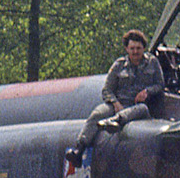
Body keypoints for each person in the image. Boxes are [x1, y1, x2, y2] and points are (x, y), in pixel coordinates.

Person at [66, 29, 165, 165]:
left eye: (138, 48)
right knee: (98, 113)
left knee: (141, 108)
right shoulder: (119, 65)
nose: (135, 52)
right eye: (132, 48)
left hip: (138, 107)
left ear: (143, 48)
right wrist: (115, 103)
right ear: (126, 49)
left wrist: (147, 91)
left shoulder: (152, 62)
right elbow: (106, 90)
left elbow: (160, 85)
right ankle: (79, 148)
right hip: (118, 104)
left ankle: (115, 121)